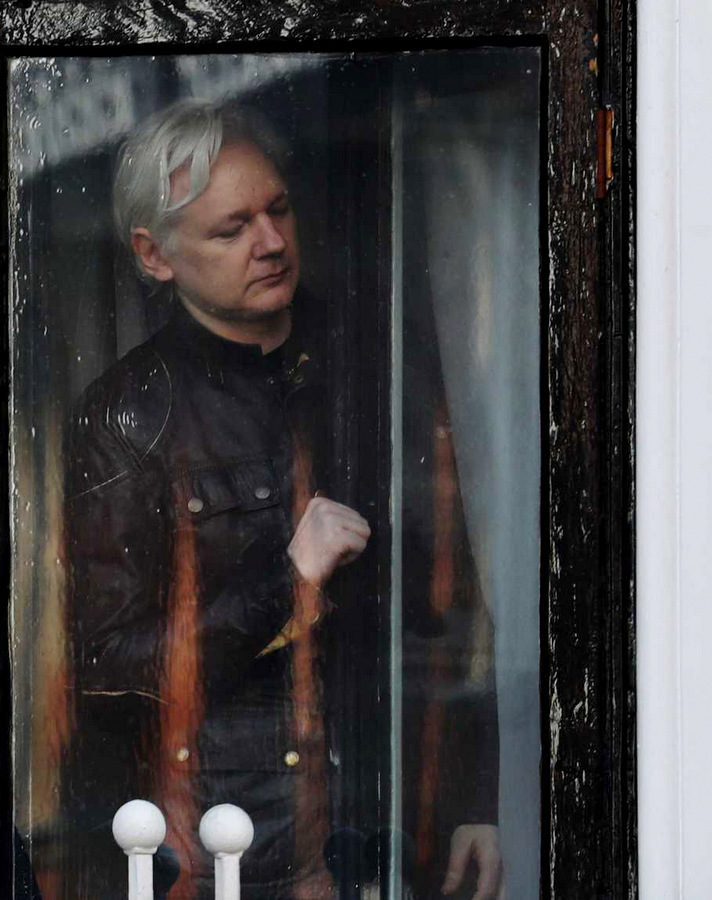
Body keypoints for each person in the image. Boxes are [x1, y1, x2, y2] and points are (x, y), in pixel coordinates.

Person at [56, 101, 502, 900]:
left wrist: (472, 801)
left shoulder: (378, 356)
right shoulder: (127, 416)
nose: (269, 243)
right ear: (155, 256)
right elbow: (109, 672)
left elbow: (454, 596)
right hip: (227, 847)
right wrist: (288, 582)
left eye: (278, 211)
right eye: (231, 230)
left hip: (389, 825)